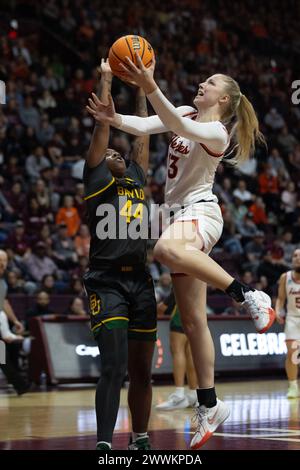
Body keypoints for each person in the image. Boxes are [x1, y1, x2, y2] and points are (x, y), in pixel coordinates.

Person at [87, 55, 276, 449]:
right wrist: (113, 118)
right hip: (177, 215)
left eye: (210, 83)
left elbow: (175, 124)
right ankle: (209, 403)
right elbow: (150, 124)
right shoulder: (187, 110)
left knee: (165, 248)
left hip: (201, 212)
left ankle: (247, 294)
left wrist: (149, 84)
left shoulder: (218, 134)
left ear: (223, 99)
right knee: (193, 321)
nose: (202, 85)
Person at [83, 60, 156, 450]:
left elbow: (142, 135)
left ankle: (141, 438)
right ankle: (104, 444)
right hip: (106, 279)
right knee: (113, 366)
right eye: (108, 150)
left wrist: (143, 87)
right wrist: (107, 79)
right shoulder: (96, 179)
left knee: (142, 371)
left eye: (118, 152)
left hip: (141, 281)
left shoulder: (137, 177)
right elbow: (103, 126)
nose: (114, 151)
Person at [156, 291, 198, 410]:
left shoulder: (182, 275)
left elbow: (163, 307)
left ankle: (179, 395)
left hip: (181, 315)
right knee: (191, 355)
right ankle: (194, 394)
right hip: (197, 315)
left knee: (178, 352)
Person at [0, 249, 30, 395]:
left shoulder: (3, 282)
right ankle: (21, 385)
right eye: (0, 261)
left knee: (2, 358)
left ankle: (21, 385)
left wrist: (15, 320)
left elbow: (3, 303)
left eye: (4, 261)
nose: (2, 264)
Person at [275, 248, 300, 398]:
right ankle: (293, 386)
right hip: (292, 319)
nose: (297, 258)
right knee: (292, 354)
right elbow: (280, 298)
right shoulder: (286, 277)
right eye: (295, 256)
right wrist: (278, 310)